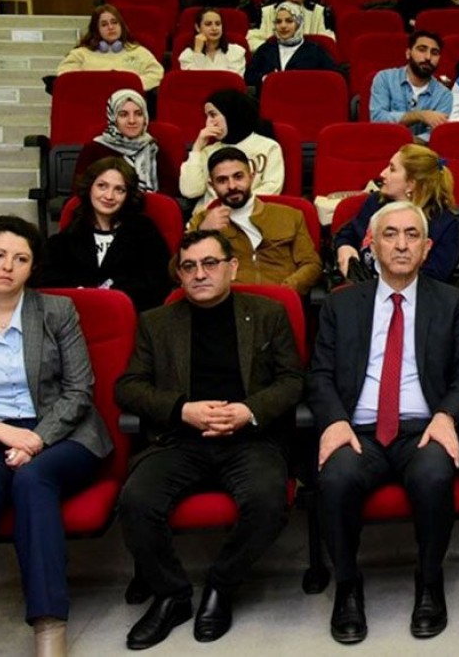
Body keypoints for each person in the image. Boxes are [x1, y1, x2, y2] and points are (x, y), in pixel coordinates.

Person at [0, 216, 110, 657]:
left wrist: (37, 439)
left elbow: (78, 391)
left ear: (32, 269)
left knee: (33, 479)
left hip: (64, 434)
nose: (7, 266)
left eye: (21, 258)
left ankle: (49, 621)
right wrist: (0, 431)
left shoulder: (57, 312)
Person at [115, 230, 303, 648]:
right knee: (136, 500)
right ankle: (172, 595)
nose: (200, 274)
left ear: (232, 267)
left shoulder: (269, 313)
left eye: (210, 263)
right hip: (180, 438)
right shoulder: (157, 323)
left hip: (250, 439)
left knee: (269, 499)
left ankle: (221, 584)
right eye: (189, 266)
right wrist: (183, 408)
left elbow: (293, 381)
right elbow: (128, 387)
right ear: (179, 275)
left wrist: (248, 410)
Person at [309, 200, 459, 642]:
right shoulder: (341, 304)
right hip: (359, 428)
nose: (401, 244)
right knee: (335, 478)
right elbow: (320, 374)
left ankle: (429, 581)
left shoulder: (449, 301)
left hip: (422, 427)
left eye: (411, 236)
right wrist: (333, 421)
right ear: (371, 245)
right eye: (390, 235)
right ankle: (347, 586)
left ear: (426, 248)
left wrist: (446, 415)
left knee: (433, 475)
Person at [39, 157, 173, 312]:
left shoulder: (144, 230)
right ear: (90, 188)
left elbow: (159, 283)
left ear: (128, 195)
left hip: (130, 317)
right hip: (76, 317)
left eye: (119, 190)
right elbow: (50, 283)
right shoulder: (70, 233)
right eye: (102, 186)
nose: (109, 196)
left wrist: (112, 298)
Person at [188, 147, 321, 295]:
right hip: (229, 304)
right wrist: (203, 233)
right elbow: (177, 271)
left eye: (238, 177)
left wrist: (286, 290)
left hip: (279, 302)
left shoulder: (290, 215)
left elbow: (311, 265)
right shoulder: (201, 220)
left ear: (251, 177)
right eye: (222, 180)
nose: (232, 186)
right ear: (212, 185)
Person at [332, 143, 459, 283]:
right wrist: (344, 247)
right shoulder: (375, 203)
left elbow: (434, 278)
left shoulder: (444, 224)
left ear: (411, 183)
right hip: (362, 292)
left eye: (392, 169)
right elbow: (348, 233)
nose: (382, 173)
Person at [179, 89, 284, 200]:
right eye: (207, 116)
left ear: (231, 114)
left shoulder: (268, 147)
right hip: (211, 214)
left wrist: (234, 205)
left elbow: (272, 189)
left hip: (252, 213)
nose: (208, 123)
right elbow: (190, 192)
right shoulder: (208, 151)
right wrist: (197, 148)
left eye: (213, 115)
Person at [74, 88, 176, 195]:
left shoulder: (154, 148)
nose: (132, 121)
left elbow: (169, 195)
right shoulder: (94, 149)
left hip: (149, 209)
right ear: (113, 118)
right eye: (123, 114)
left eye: (138, 114)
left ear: (145, 117)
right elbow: (80, 191)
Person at [368, 30, 453, 141]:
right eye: (422, 50)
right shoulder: (385, 78)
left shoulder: (444, 95)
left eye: (434, 53)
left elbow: (436, 135)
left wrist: (406, 144)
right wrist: (419, 115)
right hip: (384, 145)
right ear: (408, 53)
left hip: (421, 153)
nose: (428, 57)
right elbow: (377, 119)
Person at [56, 4, 163, 91]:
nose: (111, 27)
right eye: (104, 24)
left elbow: (157, 74)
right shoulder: (81, 53)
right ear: (96, 30)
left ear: (121, 25)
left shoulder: (138, 51)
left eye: (114, 22)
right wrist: (96, 85)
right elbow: (64, 74)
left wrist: (130, 85)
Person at [244, 1, 339, 88]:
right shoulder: (265, 50)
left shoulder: (315, 51)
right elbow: (249, 77)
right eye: (278, 22)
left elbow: (333, 78)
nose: (283, 26)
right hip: (272, 101)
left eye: (289, 21)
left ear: (298, 23)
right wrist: (266, 78)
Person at [177, 8, 247, 75]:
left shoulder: (236, 52)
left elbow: (234, 82)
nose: (214, 28)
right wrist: (198, 52)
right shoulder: (187, 55)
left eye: (218, 24)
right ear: (197, 27)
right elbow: (195, 81)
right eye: (208, 24)